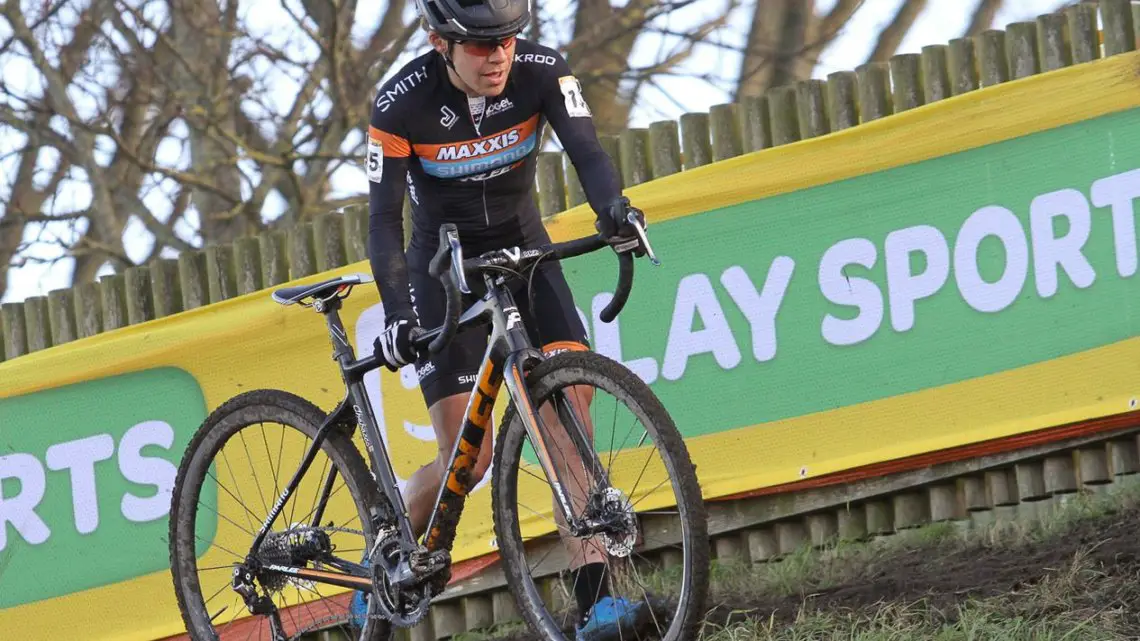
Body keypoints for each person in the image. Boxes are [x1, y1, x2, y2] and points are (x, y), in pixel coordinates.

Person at [354, 0, 648, 638]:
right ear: (439, 42)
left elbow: (588, 152)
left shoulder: (543, 70)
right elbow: (382, 223)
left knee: (570, 413)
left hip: (525, 254)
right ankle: (390, 536)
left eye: (508, 41)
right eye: (481, 46)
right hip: (445, 275)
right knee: (472, 456)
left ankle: (595, 599)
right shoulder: (399, 103)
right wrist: (401, 314)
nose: (499, 57)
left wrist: (614, 211)